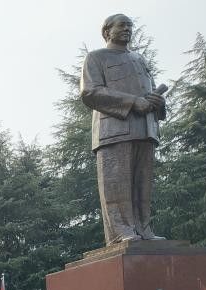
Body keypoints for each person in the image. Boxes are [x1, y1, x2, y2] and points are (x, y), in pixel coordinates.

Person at [80, 13, 167, 245]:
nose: (127, 29)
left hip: (145, 130)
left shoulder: (139, 59)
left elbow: (149, 92)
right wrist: (133, 102)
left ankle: (144, 229)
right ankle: (121, 232)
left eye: (130, 26)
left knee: (142, 186)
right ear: (107, 31)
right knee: (116, 184)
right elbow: (90, 92)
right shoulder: (96, 57)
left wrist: (158, 102)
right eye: (122, 25)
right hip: (114, 131)